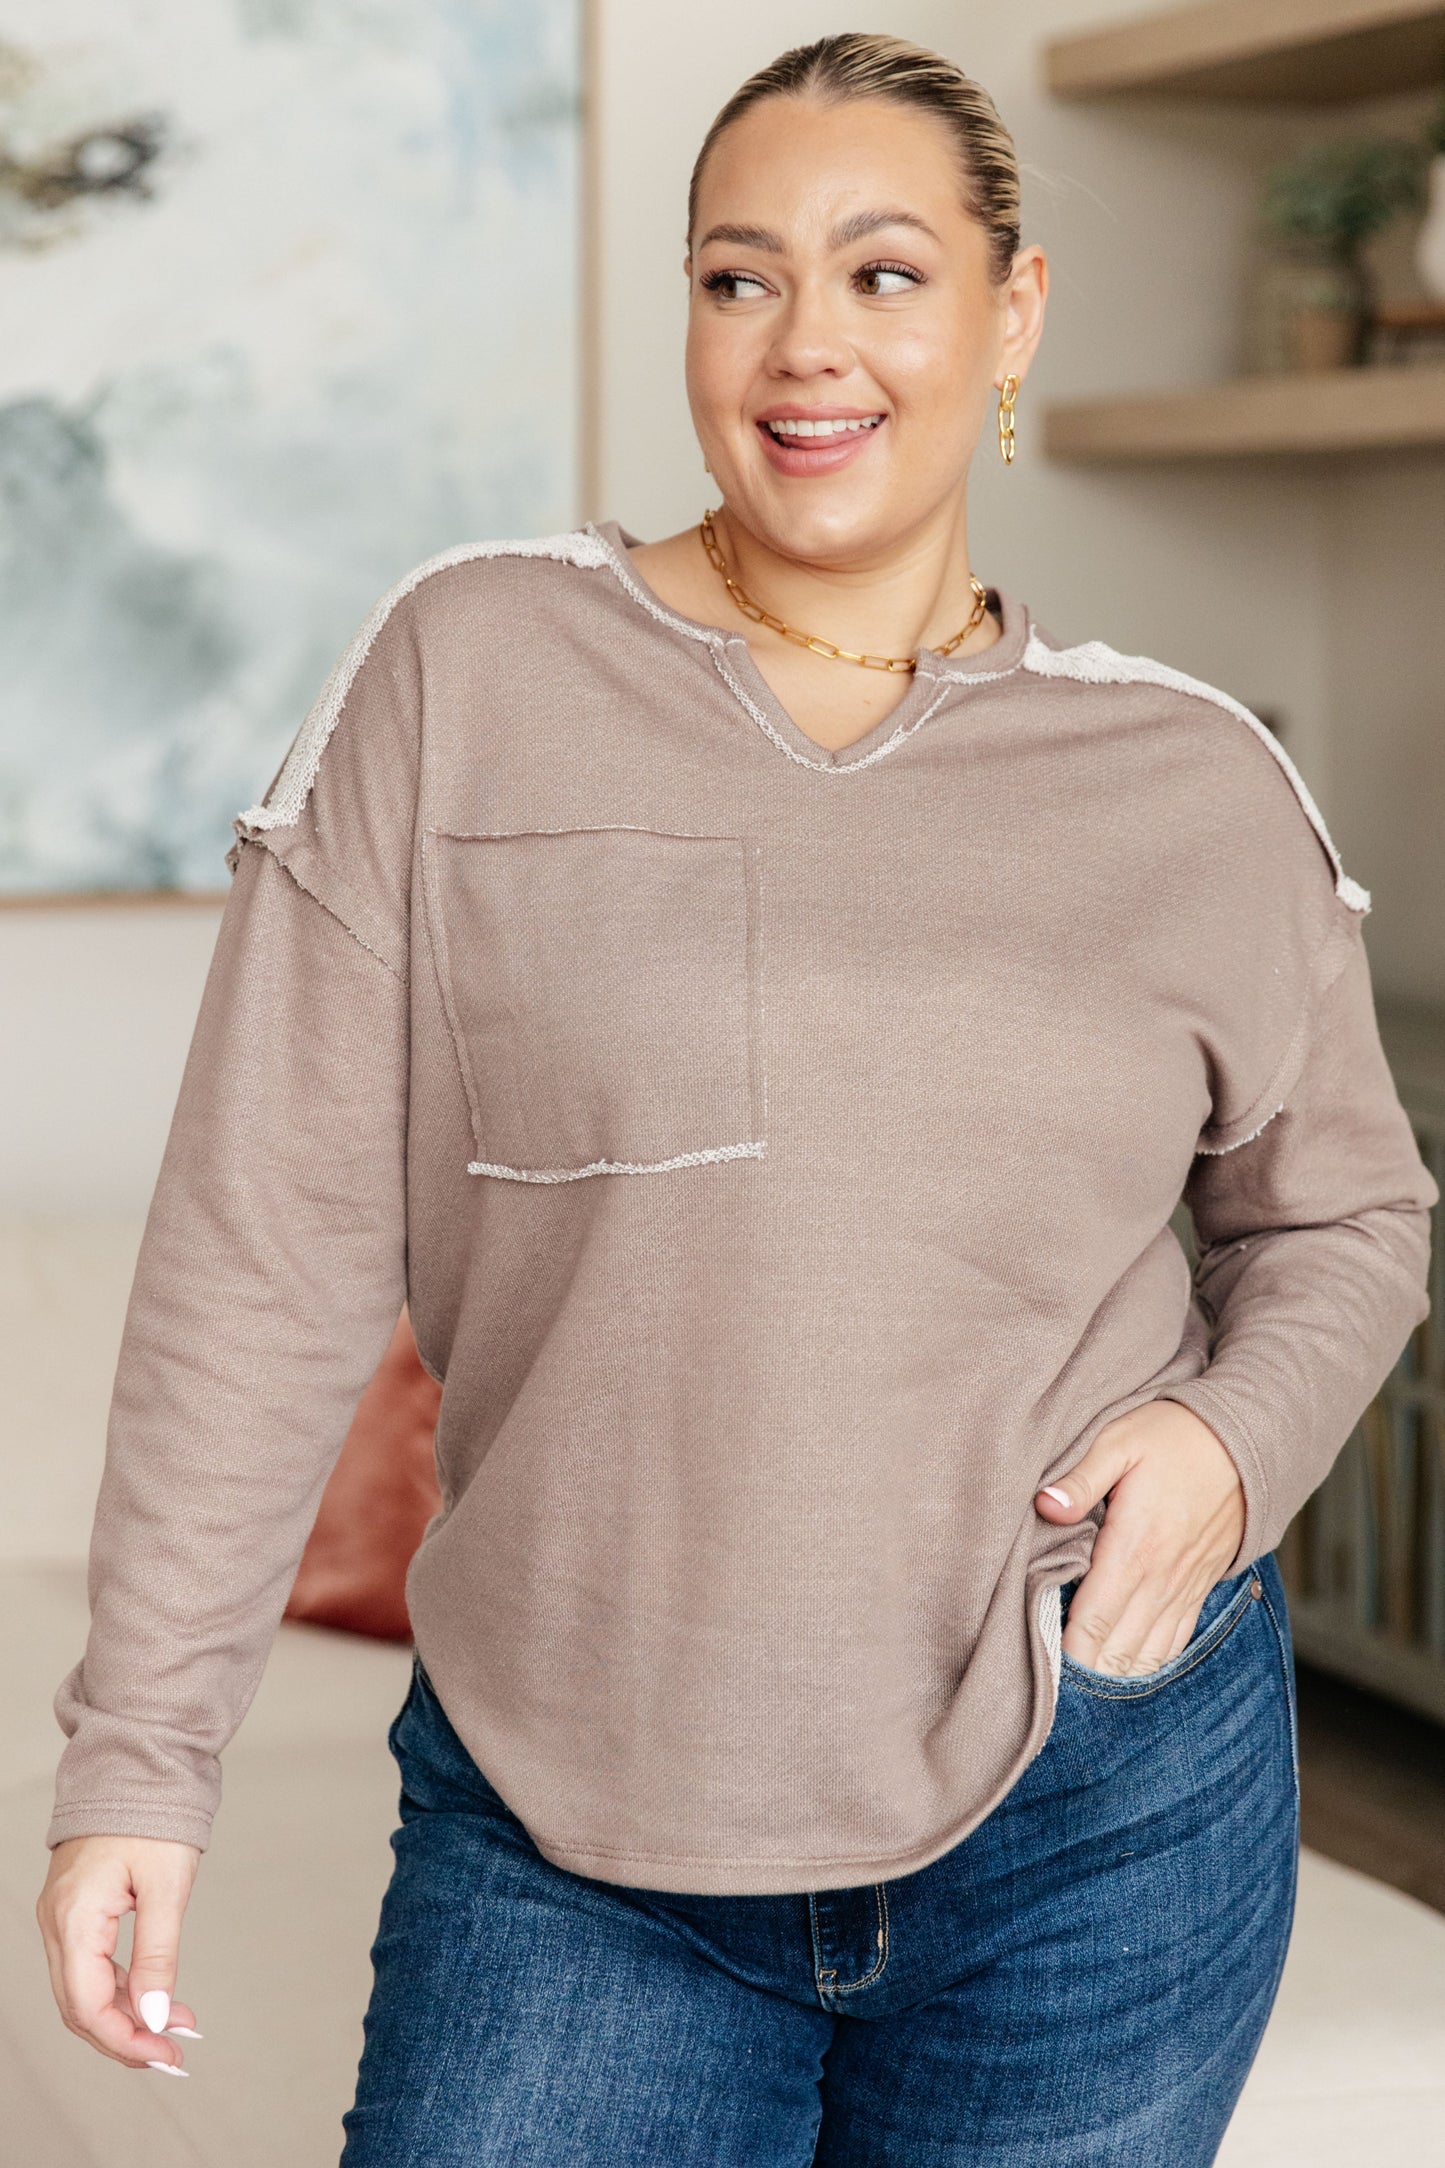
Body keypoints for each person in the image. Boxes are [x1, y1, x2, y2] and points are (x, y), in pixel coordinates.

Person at [36, 32, 1436, 2165]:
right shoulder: (469, 668)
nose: (806, 347)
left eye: (885, 274)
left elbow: (1348, 1216)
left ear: (1011, 317)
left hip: (1101, 1810)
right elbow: (268, 1246)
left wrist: (1230, 1449)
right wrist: (143, 1756)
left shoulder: (1190, 779)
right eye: (736, 275)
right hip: (571, 1820)